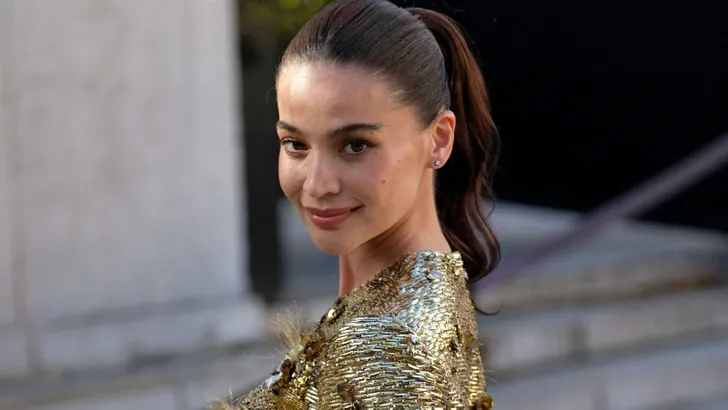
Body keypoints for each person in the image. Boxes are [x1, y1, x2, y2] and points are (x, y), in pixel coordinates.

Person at [219, 0, 500, 408]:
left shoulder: (391, 353)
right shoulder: (405, 308)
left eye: (355, 145)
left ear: (439, 139)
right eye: (295, 144)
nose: (317, 184)